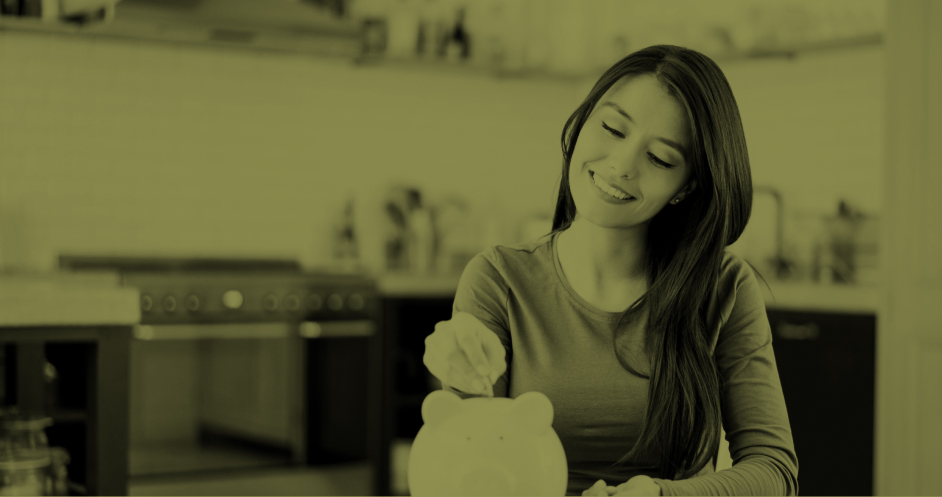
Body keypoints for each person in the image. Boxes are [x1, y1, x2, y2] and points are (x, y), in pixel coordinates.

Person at [423, 44, 799, 496]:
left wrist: (663, 496)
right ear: (584, 119)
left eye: (660, 158)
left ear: (687, 187)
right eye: (612, 128)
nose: (622, 165)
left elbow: (774, 471)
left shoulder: (723, 286)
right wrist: (462, 381)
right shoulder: (498, 278)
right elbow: (468, 469)